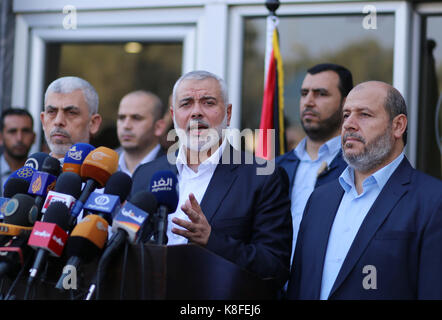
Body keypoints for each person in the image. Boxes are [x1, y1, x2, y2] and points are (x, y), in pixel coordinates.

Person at [131, 70, 292, 288]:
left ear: (228, 113)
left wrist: (212, 240)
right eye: (186, 104)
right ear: (174, 114)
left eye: (208, 103)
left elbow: (274, 267)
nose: (196, 112)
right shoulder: (146, 174)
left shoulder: (262, 176)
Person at [287, 81, 442, 300]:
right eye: (346, 115)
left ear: (398, 126)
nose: (349, 124)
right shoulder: (320, 198)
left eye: (364, 115)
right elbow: (299, 285)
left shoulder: (432, 201)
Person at [276, 63, 353, 263]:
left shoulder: (357, 171)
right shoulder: (276, 166)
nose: (308, 101)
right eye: (304, 93)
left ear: (346, 103)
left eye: (321, 94)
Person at [40, 76, 102, 160]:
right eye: (51, 112)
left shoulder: (109, 173)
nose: (58, 121)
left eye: (71, 113)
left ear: (93, 123)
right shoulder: (30, 171)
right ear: (43, 121)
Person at [117, 90, 167, 176]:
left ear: (158, 127)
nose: (126, 125)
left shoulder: (174, 169)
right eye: (121, 118)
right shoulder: (102, 166)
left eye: (136, 118)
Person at [0, 108, 36, 194]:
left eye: (25, 131)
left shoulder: (40, 175)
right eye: (12, 131)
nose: (19, 138)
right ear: (1, 137)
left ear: (34, 137)